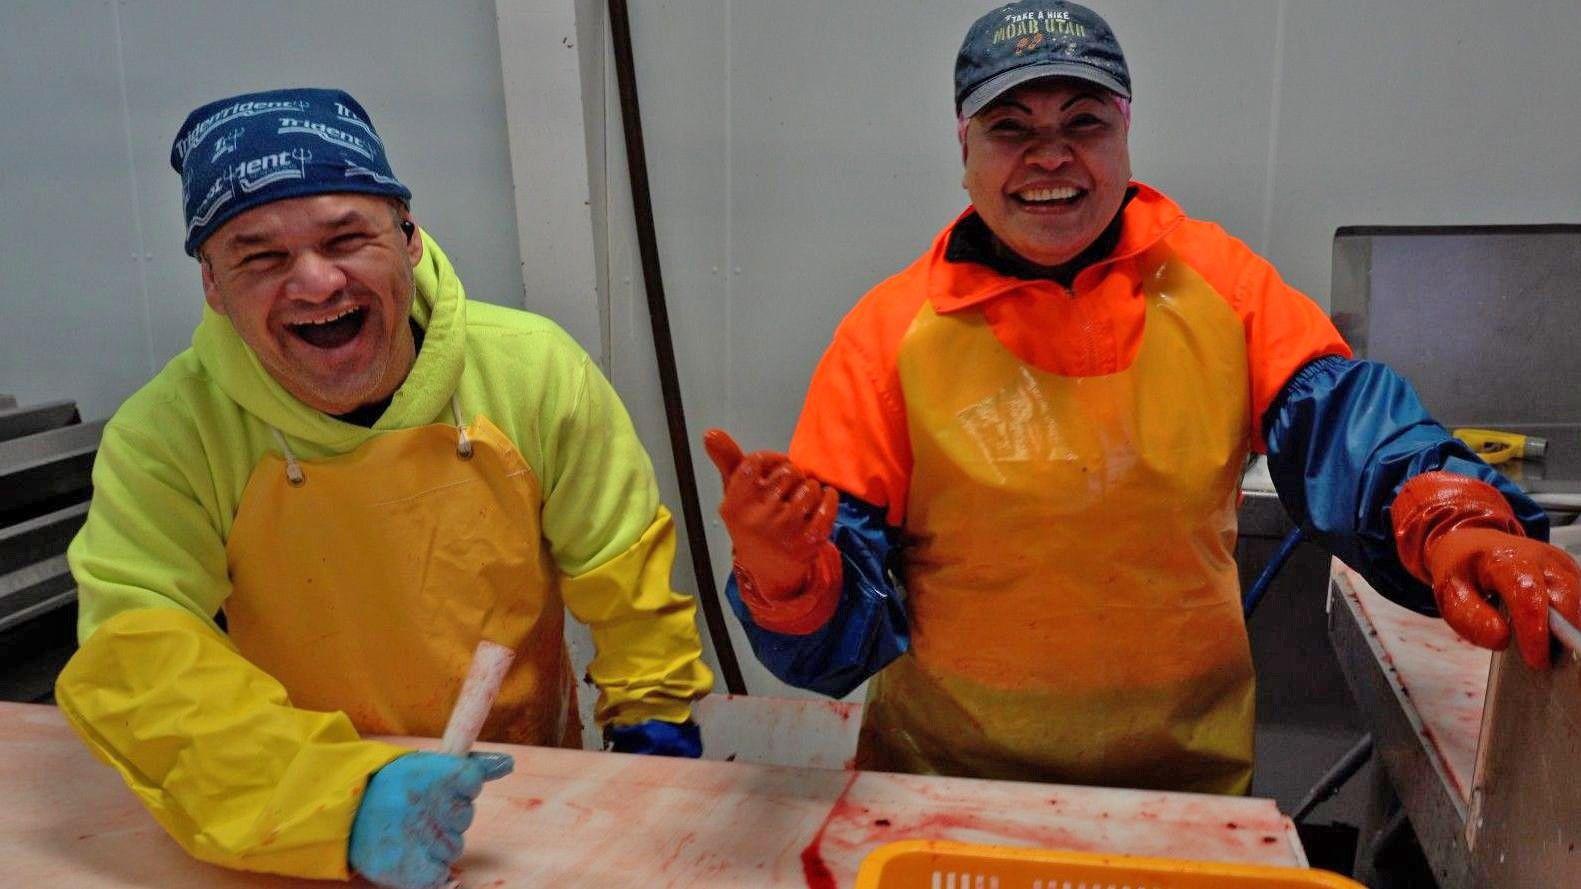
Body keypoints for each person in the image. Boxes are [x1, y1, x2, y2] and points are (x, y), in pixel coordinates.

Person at [703, 0, 1581, 796]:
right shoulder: (886, 336)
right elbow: (836, 635)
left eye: (1082, 122)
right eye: (1010, 127)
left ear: (1124, 136)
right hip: (946, 786)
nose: (1050, 154)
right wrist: (787, 574)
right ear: (962, 150)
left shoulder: (1220, 286)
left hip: (1181, 787)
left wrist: (1451, 513)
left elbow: (1346, 424)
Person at [54, 88, 714, 888]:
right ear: (213, 287)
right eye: (259, 257)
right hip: (287, 811)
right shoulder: (166, 436)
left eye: (346, 237)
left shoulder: (534, 373)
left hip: (522, 791)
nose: (315, 281)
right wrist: (336, 801)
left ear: (407, 237)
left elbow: (625, 576)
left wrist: (653, 734)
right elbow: (144, 663)